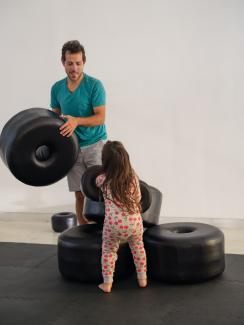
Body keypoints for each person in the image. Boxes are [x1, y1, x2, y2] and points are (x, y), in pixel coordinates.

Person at [50, 40, 107, 225]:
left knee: (101, 193)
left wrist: (76, 121)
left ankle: (105, 236)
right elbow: (54, 119)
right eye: (70, 63)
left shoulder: (94, 85)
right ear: (63, 62)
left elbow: (100, 118)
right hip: (72, 148)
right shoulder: (57, 88)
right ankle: (83, 238)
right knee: (80, 195)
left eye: (78, 63)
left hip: (95, 145)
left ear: (84, 62)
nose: (74, 68)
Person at [95, 141, 147, 293]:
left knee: (109, 251)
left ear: (105, 162)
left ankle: (107, 283)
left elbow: (94, 181)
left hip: (113, 226)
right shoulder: (134, 178)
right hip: (135, 223)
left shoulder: (103, 180)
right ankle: (142, 278)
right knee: (138, 248)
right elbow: (138, 198)